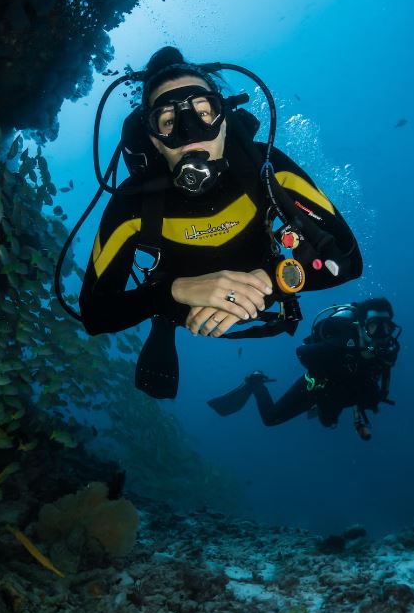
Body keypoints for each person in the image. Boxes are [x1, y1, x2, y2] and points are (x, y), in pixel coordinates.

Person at [77, 46, 363, 397]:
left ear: (224, 119)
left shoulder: (268, 169)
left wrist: (273, 280)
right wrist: (172, 293)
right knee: (163, 311)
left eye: (203, 112)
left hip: (267, 283)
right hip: (178, 305)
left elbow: (348, 260)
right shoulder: (132, 204)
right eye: (168, 121)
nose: (189, 132)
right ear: (153, 139)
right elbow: (95, 313)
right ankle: (163, 322)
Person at [208, 298, 401, 440]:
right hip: (318, 388)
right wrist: (321, 377)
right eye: (375, 326)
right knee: (271, 418)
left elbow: (379, 379)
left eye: (387, 327)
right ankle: (255, 381)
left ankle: (330, 409)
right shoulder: (341, 342)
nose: (382, 335)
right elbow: (302, 352)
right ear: (360, 326)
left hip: (346, 391)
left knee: (328, 423)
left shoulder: (386, 352)